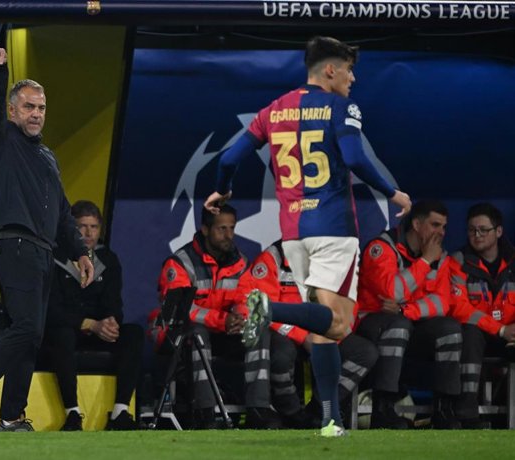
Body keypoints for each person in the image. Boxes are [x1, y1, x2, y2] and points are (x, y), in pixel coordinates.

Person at [204, 36, 411, 436]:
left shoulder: (274, 110)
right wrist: (393, 191)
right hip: (333, 228)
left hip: (294, 234)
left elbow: (228, 158)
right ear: (330, 69)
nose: (353, 78)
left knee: (322, 330)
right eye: (349, 70)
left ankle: (330, 420)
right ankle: (269, 308)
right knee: (339, 324)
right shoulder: (341, 106)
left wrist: (223, 188)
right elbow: (353, 158)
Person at [0, 47, 94, 433]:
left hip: (43, 252)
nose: (36, 114)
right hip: (14, 243)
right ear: (13, 111)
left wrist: (79, 251)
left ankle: (12, 416)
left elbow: (62, 209)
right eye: (28, 106)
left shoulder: (46, 156)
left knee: (29, 334)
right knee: (27, 328)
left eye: (41, 108)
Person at [153, 204, 287, 429]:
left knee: (258, 329)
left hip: (225, 333)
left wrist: (240, 317)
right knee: (196, 332)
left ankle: (259, 408)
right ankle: (204, 411)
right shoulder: (180, 263)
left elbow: (247, 297)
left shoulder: (240, 262)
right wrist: (222, 320)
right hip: (183, 337)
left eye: (232, 228)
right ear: (205, 229)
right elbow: (181, 310)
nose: (228, 235)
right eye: (221, 229)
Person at [238, 241, 378, 427]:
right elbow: (261, 307)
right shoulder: (273, 258)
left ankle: (319, 410)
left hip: (324, 332)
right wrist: (302, 336)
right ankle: (290, 412)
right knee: (281, 355)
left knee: (365, 352)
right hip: (287, 333)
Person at [356, 200, 462, 429]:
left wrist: (405, 309)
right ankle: (382, 409)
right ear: (416, 223)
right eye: (435, 225)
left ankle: (444, 410)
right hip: (371, 324)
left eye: (443, 227)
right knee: (398, 325)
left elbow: (441, 303)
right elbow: (392, 291)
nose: (440, 233)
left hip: (408, 322)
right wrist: (424, 261)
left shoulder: (440, 257)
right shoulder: (383, 247)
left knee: (449, 329)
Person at [42, 200, 144, 431]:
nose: (88, 233)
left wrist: (110, 322)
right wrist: (89, 324)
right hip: (67, 327)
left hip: (98, 328)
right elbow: (51, 309)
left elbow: (114, 303)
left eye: (94, 227)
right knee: (62, 334)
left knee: (134, 333)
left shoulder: (108, 260)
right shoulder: (54, 259)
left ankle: (120, 412)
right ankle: (72, 414)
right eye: (81, 227)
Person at [449, 202, 515, 428]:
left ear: (498, 231)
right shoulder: (458, 261)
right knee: (469, 332)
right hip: (480, 336)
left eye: (483, 230)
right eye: (471, 230)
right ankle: (466, 411)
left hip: (510, 335)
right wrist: (500, 330)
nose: (476, 235)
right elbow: (460, 308)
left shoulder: (514, 262)